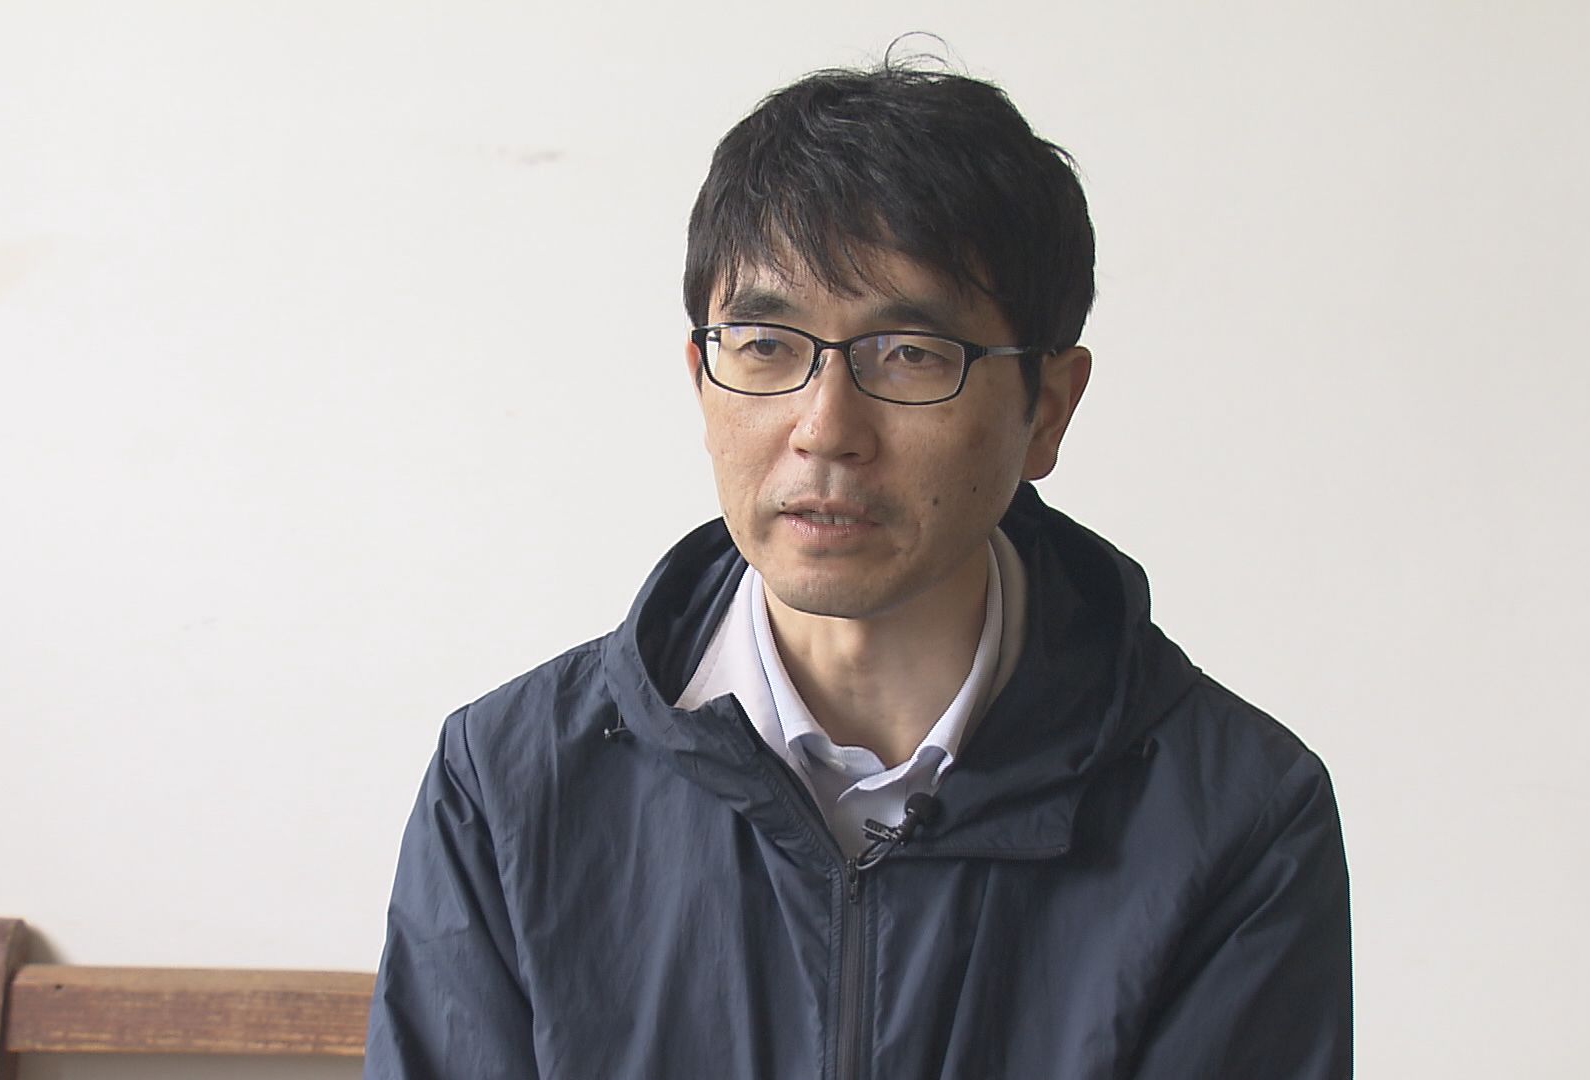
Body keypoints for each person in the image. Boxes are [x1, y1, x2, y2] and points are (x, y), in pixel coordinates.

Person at [364, 56, 1352, 1080]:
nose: (825, 427)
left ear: (1047, 410)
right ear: (702, 378)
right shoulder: (511, 788)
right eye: (765, 344)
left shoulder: (1235, 821)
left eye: (909, 354)